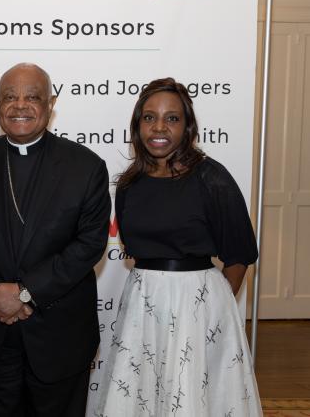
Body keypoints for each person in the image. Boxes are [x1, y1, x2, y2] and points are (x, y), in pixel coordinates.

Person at [0, 63, 111, 416]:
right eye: (10, 97)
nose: (20, 105)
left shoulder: (86, 166)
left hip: (59, 337)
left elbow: (88, 245)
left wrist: (23, 293)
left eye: (32, 97)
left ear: (51, 103)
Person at [95, 77, 262, 415]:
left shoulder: (212, 178)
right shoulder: (130, 182)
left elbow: (239, 254)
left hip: (198, 304)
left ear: (187, 127)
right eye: (149, 117)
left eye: (172, 118)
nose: (159, 127)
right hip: (143, 302)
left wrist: (211, 310)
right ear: (138, 125)